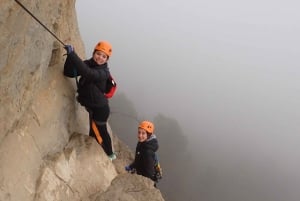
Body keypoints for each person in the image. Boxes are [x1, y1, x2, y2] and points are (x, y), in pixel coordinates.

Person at [63, 41, 116, 161]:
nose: (100, 58)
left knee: (101, 131)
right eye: (98, 54)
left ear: (107, 59)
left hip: (101, 109)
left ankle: (110, 154)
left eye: (104, 56)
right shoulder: (88, 63)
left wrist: (73, 55)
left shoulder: (104, 72)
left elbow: (89, 74)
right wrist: (69, 58)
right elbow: (68, 72)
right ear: (94, 53)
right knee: (93, 134)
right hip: (92, 107)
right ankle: (99, 152)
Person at [125, 121, 159, 185]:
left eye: (143, 133)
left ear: (148, 135)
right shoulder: (141, 143)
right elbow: (138, 160)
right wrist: (131, 166)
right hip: (140, 175)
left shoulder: (148, 152)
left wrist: (145, 185)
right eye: (139, 132)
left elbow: (149, 173)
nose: (140, 135)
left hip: (145, 181)